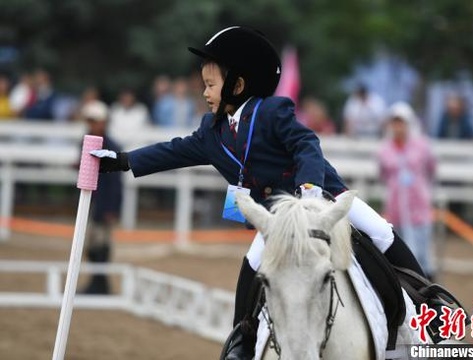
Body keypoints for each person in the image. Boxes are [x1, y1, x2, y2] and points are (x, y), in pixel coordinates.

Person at [90, 27, 435, 358]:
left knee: (379, 231)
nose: (205, 93)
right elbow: (173, 151)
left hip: (322, 196)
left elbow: (307, 144)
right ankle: (243, 337)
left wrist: (311, 190)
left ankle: (430, 303)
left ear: (237, 85)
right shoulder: (210, 131)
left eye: (210, 85)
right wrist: (123, 161)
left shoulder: (272, 111)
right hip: (276, 218)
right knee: (251, 266)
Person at [378, 102, 437, 280]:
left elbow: (431, 169)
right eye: (395, 123)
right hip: (396, 210)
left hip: (419, 208)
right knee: (400, 253)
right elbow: (383, 174)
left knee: (423, 254)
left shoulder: (422, 146)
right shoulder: (384, 150)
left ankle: (431, 294)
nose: (398, 127)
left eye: (401, 122)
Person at [80, 100, 123, 294]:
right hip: (94, 203)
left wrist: (112, 209)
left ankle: (100, 283)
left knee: (101, 245)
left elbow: (115, 183)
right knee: (93, 245)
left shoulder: (111, 146)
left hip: (104, 204)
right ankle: (97, 282)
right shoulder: (87, 142)